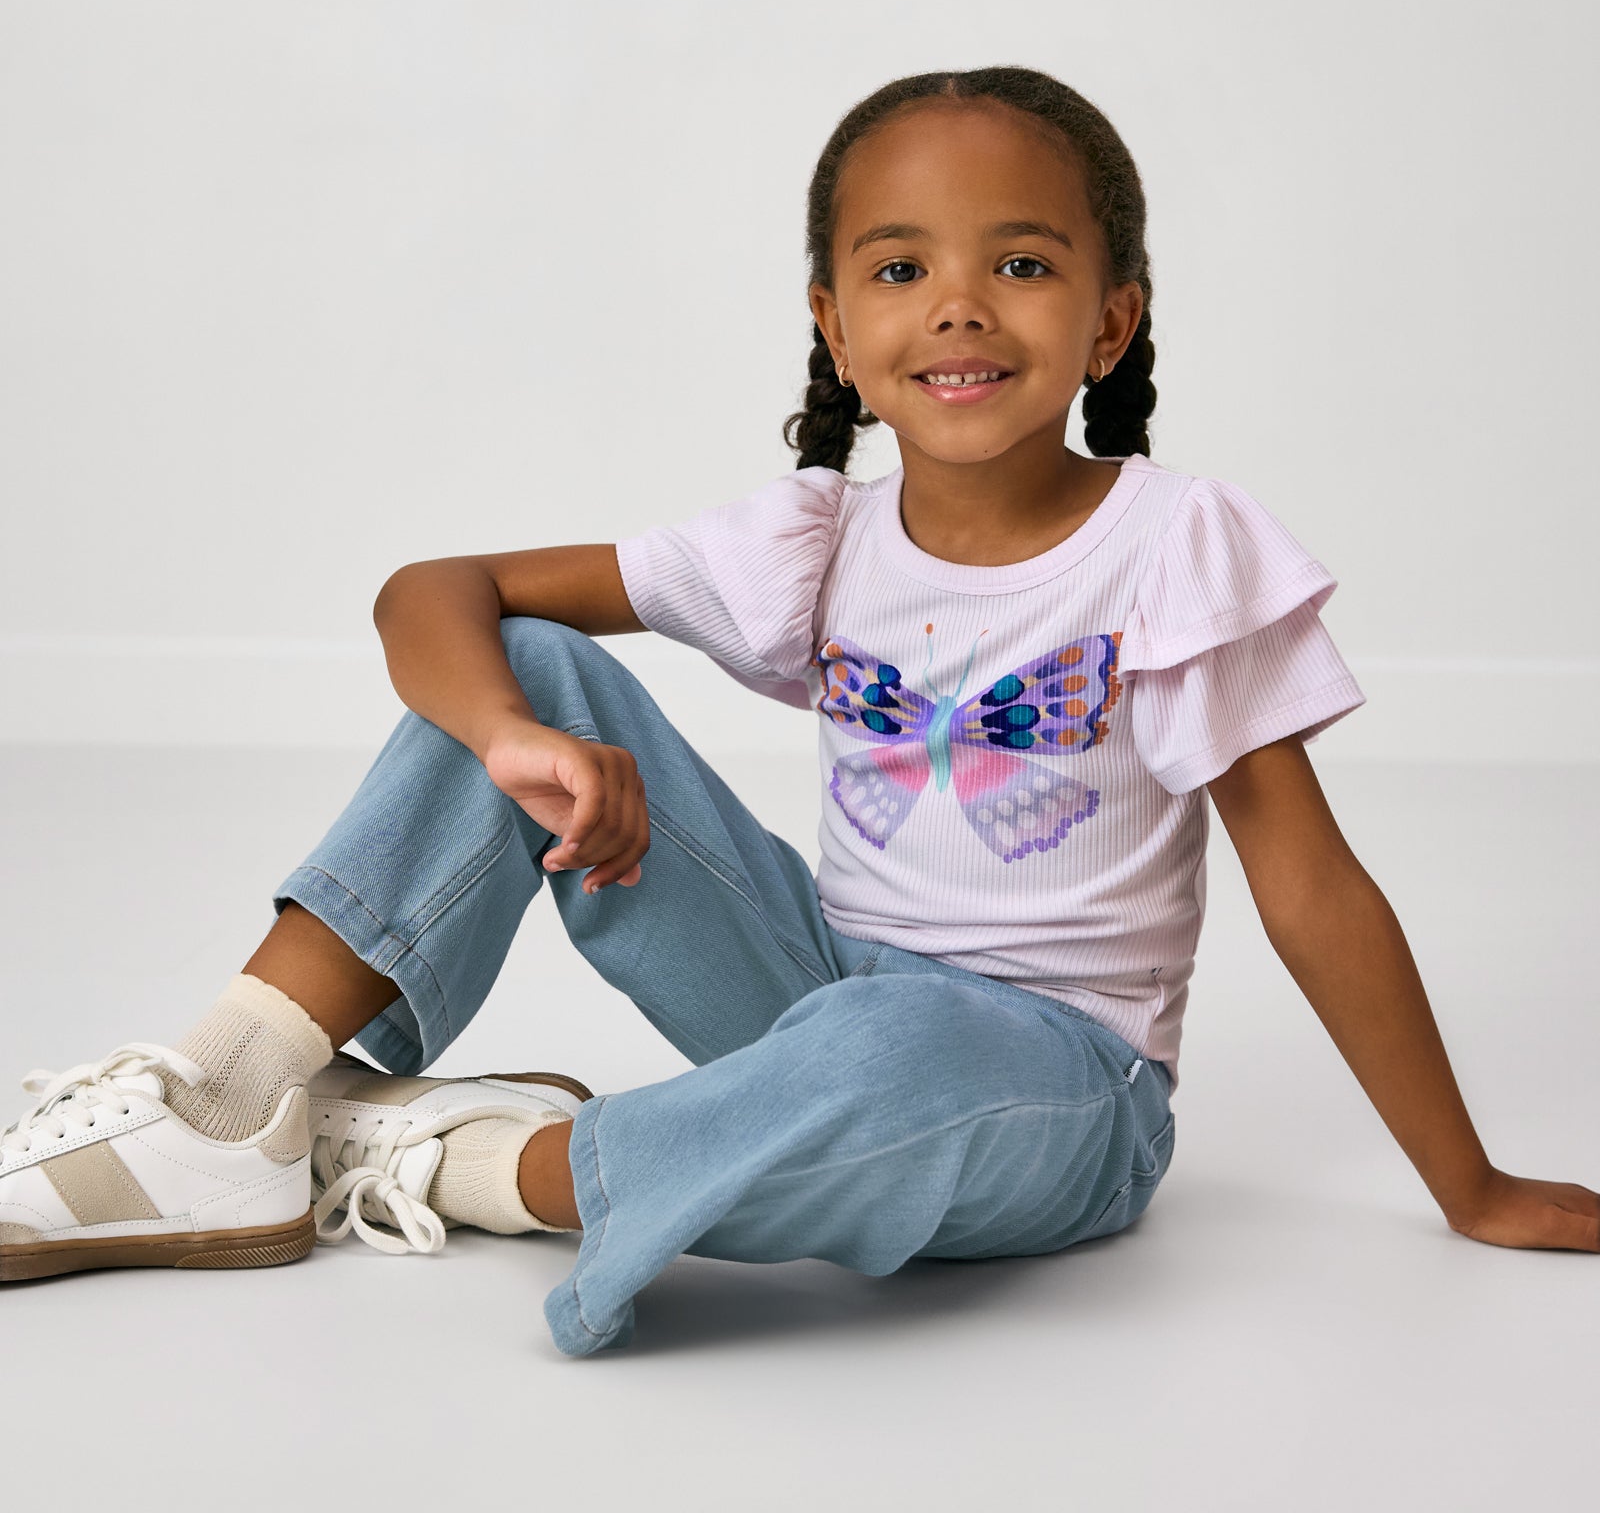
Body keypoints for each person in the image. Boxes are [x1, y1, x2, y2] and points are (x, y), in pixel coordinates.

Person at [4, 66, 1595, 1356]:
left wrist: (1468, 1185)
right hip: (819, 991)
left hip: (1061, 1086)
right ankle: (225, 1102)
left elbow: (1310, 886)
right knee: (536, 667)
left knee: (889, 1049)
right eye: (902, 270)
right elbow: (439, 589)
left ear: (1110, 319)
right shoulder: (815, 543)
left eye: (1021, 264)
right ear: (835, 322)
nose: (958, 307)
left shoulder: (1174, 547)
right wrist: (513, 739)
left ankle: (453, 1161)